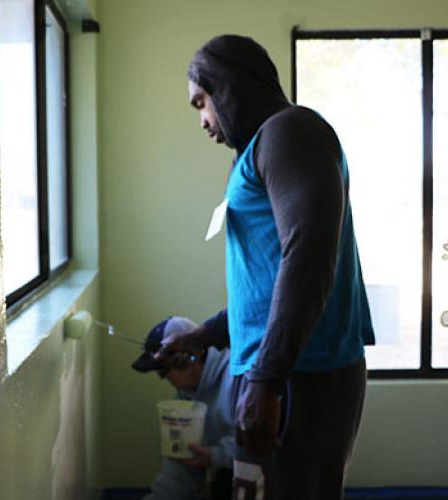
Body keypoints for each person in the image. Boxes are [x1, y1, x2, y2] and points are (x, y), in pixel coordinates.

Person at [155, 35, 376, 499]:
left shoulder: (291, 131)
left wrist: (266, 380)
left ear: (229, 87)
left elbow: (309, 254)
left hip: (301, 373)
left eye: (202, 102)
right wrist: (207, 335)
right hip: (279, 371)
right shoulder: (261, 147)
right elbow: (266, 280)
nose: (202, 120)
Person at [132, 316, 236, 500]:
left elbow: (263, 447)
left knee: (223, 481)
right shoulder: (183, 399)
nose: (161, 378)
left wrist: (215, 456)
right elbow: (177, 476)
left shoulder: (237, 378)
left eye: (163, 370)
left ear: (191, 356)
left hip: (262, 482)